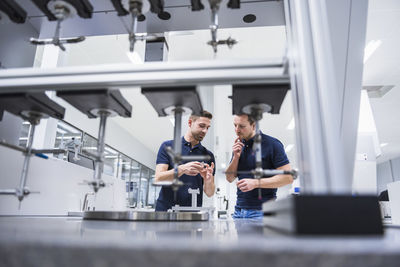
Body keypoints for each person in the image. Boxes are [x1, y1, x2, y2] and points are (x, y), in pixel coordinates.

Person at [225, 114, 293, 219]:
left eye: (241, 126)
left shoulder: (272, 144)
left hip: (262, 212)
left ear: (254, 125)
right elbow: (229, 178)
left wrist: (256, 183)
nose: (237, 130)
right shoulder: (239, 146)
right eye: (235, 125)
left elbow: (288, 177)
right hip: (239, 211)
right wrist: (235, 158)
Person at [155, 111, 215, 211]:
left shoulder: (208, 155)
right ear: (190, 123)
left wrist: (208, 181)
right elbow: (158, 178)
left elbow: (209, 193)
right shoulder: (168, 146)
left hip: (192, 214)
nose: (205, 131)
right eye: (202, 126)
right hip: (166, 211)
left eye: (208, 127)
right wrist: (182, 169)